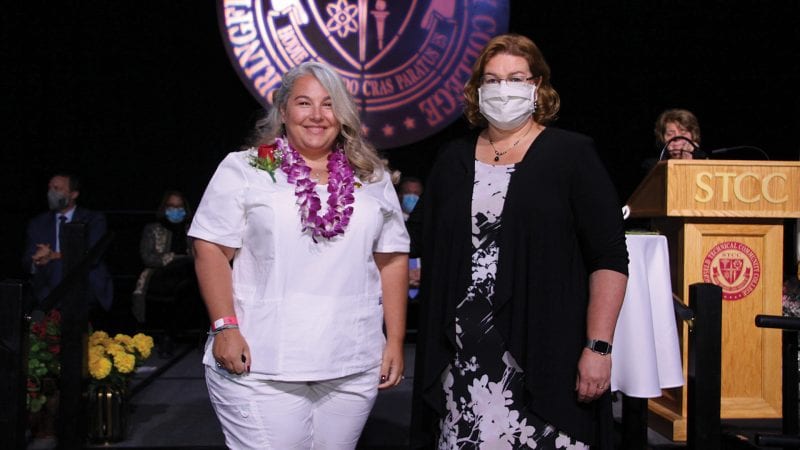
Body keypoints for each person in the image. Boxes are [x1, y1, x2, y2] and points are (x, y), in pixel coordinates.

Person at [408, 34, 629, 449]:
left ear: (538, 86)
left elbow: (609, 257)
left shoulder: (572, 154)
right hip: (464, 361)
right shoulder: (451, 159)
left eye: (515, 78)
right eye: (491, 80)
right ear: (476, 90)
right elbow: (412, 240)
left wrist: (598, 347)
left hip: (548, 354)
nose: (502, 89)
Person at [188, 61, 410, 449]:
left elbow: (391, 259)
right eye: (304, 103)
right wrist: (224, 327)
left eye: (329, 104)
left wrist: (394, 341)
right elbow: (209, 248)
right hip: (262, 362)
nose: (317, 115)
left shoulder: (370, 175)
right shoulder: (248, 167)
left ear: (342, 114)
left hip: (352, 361)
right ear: (283, 110)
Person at [22, 173, 114, 314]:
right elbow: (28, 260)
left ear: (74, 194)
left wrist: (54, 256)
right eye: (50, 188)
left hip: (84, 282)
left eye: (57, 188)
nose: (51, 193)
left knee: (65, 272)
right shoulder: (38, 223)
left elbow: (92, 255)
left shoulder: (94, 219)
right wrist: (38, 260)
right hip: (48, 286)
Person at [132, 190, 199, 357]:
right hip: (160, 275)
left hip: (189, 274)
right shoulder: (153, 228)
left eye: (179, 206)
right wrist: (171, 259)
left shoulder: (193, 229)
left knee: (189, 285)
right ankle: (168, 337)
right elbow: (147, 257)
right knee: (174, 287)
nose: (175, 210)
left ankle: (180, 336)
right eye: (171, 206)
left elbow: (200, 255)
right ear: (164, 208)